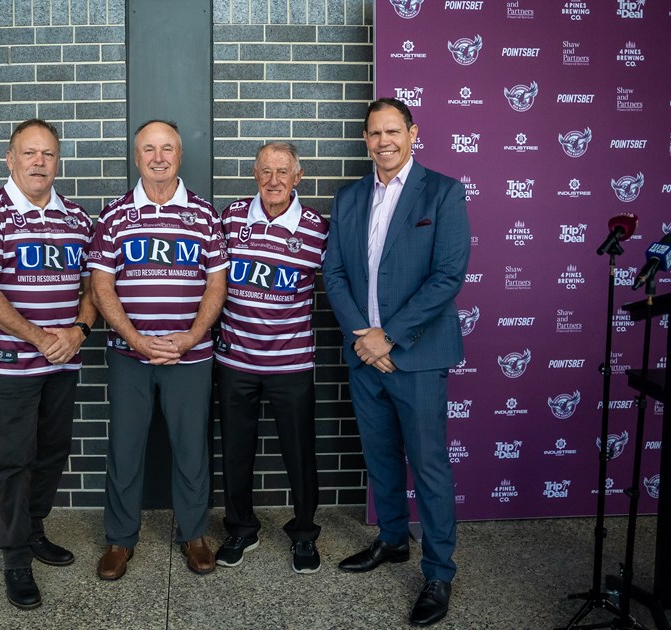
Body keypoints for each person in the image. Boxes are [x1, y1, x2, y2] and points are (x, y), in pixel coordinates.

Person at [323, 98, 471, 627]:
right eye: (373, 133)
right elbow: (335, 274)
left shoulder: (444, 192)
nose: (383, 141)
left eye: (392, 131)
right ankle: (392, 540)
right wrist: (365, 339)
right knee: (381, 458)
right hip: (364, 355)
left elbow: (447, 277)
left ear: (412, 134)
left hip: (418, 356)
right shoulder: (350, 197)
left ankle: (438, 571)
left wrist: (391, 339)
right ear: (365, 140)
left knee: (428, 467)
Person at [0, 118, 97, 610]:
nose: (39, 162)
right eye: (30, 153)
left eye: (48, 154)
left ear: (58, 161)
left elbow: (92, 289)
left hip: (63, 364)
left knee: (52, 452)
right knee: (14, 461)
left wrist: (78, 332)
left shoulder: (78, 219)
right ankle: (15, 557)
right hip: (11, 366)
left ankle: (35, 530)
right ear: (10, 158)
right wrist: (42, 337)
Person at [88, 120, 228, 580]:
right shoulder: (113, 215)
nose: (158, 157)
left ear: (180, 155)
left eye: (167, 147)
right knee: (124, 449)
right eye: (149, 148)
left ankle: (193, 533)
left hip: (191, 356)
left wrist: (190, 337)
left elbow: (216, 283)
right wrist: (134, 337)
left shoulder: (205, 215)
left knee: (191, 450)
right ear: (137, 156)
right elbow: (101, 285)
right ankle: (119, 539)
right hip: (130, 354)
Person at [213, 142, 328, 574]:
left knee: (299, 453)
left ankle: (303, 533)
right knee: (236, 451)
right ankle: (241, 528)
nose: (274, 181)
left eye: (283, 172)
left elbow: (339, 283)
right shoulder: (231, 217)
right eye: (265, 171)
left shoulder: (318, 228)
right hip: (236, 360)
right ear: (254, 174)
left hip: (290, 363)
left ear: (297, 177)